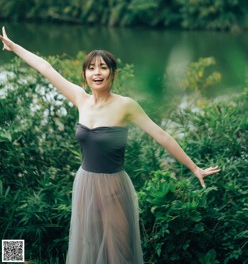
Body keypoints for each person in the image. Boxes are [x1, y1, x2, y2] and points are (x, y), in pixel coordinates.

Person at [0, 26, 220, 264]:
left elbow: (162, 135)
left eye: (103, 67)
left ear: (112, 74)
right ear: (84, 74)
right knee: (89, 247)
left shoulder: (126, 106)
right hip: (85, 183)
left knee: (118, 250)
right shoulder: (80, 98)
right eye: (91, 68)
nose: (97, 72)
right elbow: (46, 68)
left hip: (114, 187)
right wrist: (14, 47)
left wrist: (194, 168)